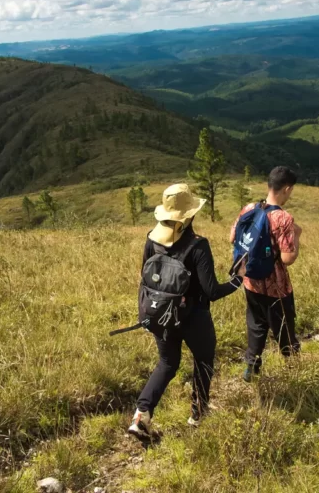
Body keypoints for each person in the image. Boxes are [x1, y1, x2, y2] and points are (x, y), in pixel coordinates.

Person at [129, 184, 243, 439]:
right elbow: (212, 291)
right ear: (190, 215)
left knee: (167, 363)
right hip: (194, 317)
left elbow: (146, 278)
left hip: (160, 314)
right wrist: (238, 280)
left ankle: (141, 415)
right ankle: (198, 412)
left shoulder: (151, 239)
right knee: (203, 360)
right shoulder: (198, 246)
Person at [230, 166, 302, 382]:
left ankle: (251, 368)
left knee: (255, 324)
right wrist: (297, 236)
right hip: (276, 287)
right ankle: (294, 368)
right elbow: (288, 258)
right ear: (287, 189)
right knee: (284, 328)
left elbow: (232, 236)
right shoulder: (283, 218)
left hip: (250, 281)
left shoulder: (249, 208)